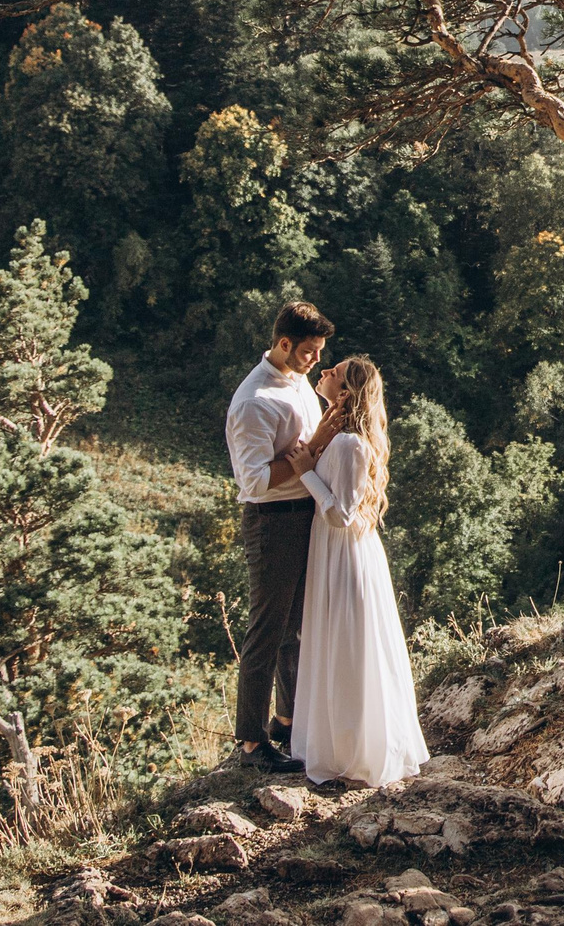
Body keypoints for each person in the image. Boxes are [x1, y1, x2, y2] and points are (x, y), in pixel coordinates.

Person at [288, 356, 429, 789]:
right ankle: (337, 745)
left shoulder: (351, 445)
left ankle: (356, 752)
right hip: (332, 553)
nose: (324, 370)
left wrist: (306, 473)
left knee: (348, 647)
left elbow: (342, 515)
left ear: (346, 392)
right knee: (335, 643)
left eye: (334, 371)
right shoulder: (338, 438)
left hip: (345, 556)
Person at [224, 300, 338, 772]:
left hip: (305, 513)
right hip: (272, 522)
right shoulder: (254, 401)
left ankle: (287, 723)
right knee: (267, 633)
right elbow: (250, 481)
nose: (316, 360)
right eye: (310, 351)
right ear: (284, 344)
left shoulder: (298, 383)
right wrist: (304, 457)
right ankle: (251, 744)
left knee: (296, 629)